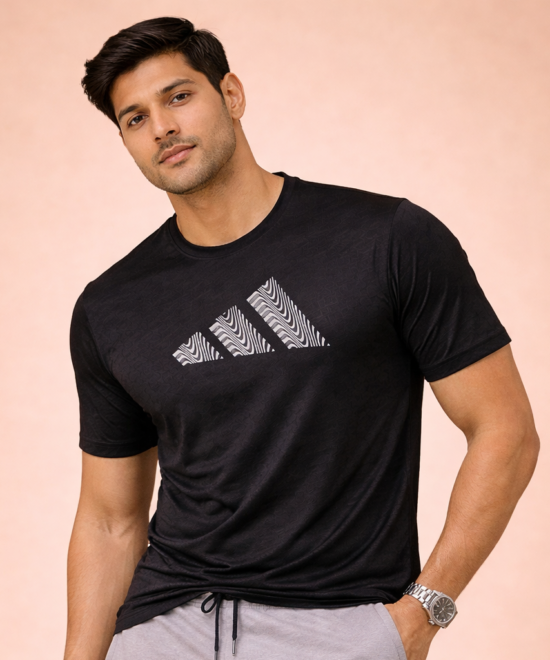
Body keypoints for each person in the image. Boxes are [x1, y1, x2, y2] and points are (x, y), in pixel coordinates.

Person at [64, 16, 539, 660]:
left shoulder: (387, 239)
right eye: (135, 118)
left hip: (336, 628)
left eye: (179, 96)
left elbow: (506, 430)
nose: (162, 127)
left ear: (231, 95)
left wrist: (422, 612)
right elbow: (109, 519)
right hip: (166, 630)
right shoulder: (110, 307)